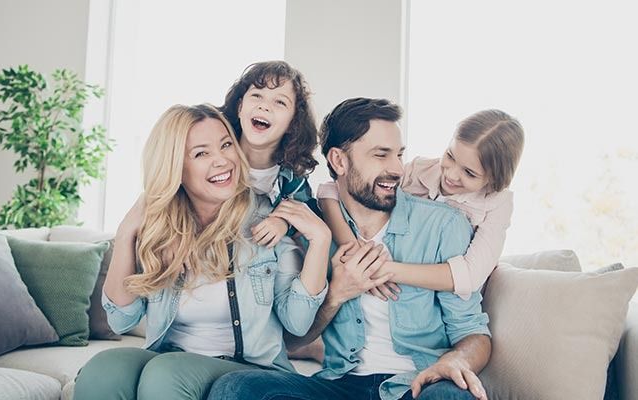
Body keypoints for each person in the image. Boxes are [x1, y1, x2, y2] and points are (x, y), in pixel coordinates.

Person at [207, 98, 492, 400]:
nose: (397, 169)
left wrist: (456, 360)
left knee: (454, 397)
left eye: (399, 155)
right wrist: (337, 293)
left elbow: (473, 332)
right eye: (381, 156)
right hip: (338, 384)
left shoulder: (443, 225)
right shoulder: (313, 228)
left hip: (417, 383)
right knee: (236, 388)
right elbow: (292, 340)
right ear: (339, 161)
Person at [73, 104, 331, 400]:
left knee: (167, 374)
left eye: (225, 146)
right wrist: (126, 233)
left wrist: (321, 241)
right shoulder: (162, 229)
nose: (222, 160)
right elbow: (122, 319)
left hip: (248, 369)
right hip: (168, 358)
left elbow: (297, 322)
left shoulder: (266, 222)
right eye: (201, 153)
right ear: (175, 168)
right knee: (103, 369)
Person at [317, 109, 525, 300]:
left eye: (469, 173)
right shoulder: (421, 169)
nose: (451, 175)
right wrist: (351, 248)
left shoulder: (498, 204)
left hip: (449, 298)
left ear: (494, 179)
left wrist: (380, 269)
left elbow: (470, 277)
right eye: (450, 156)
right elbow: (331, 189)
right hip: (405, 291)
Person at [221, 60, 321, 248]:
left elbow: (311, 212)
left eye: (280, 102)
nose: (264, 106)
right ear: (240, 107)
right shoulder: (217, 162)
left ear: (293, 123)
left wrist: (284, 222)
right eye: (257, 95)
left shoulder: (292, 181)